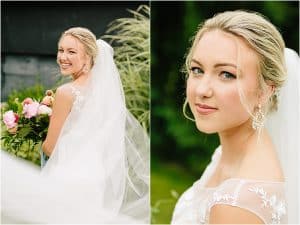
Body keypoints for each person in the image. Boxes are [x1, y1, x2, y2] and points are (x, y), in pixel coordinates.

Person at [1, 27, 150, 223]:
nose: (63, 57)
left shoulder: (66, 92)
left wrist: (35, 132)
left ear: (89, 57)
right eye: (60, 50)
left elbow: (50, 147)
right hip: (96, 178)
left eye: (71, 52)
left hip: (67, 177)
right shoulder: (105, 95)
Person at [171, 10, 299, 224]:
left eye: (226, 74)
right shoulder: (228, 153)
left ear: (265, 91)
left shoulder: (235, 206)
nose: (202, 89)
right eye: (197, 69)